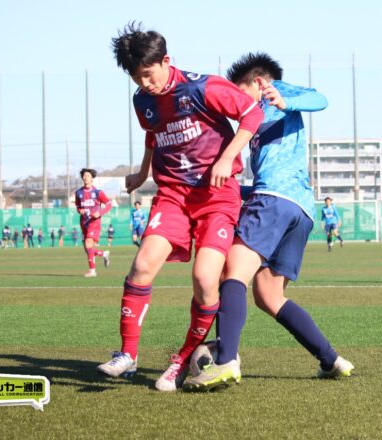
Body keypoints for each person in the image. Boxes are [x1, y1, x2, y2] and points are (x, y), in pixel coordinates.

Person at [96, 24, 262, 392]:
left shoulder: (204, 87)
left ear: (166, 61)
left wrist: (227, 158)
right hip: (173, 195)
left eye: (148, 73)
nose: (145, 83)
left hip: (217, 196)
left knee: (205, 280)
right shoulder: (143, 100)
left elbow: (252, 114)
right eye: (136, 77)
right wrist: (142, 172)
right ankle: (127, 354)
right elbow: (152, 133)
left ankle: (181, 361)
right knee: (142, 265)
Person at [184, 52, 354, 391]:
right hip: (298, 210)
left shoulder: (276, 94)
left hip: (275, 202)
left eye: (239, 93)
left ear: (259, 83)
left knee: (231, 273)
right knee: (268, 295)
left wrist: (285, 99)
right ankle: (331, 360)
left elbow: (319, 99)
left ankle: (225, 361)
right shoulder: (255, 120)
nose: (236, 103)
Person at [75, 168, 112, 277]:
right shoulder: (78, 192)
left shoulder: (98, 192)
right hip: (83, 223)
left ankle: (92, 271)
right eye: (84, 176)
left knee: (88, 244)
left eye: (88, 176)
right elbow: (78, 206)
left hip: (94, 222)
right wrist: (80, 210)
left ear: (92, 178)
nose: (85, 177)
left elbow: (109, 204)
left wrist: (100, 213)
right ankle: (104, 254)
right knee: (88, 249)